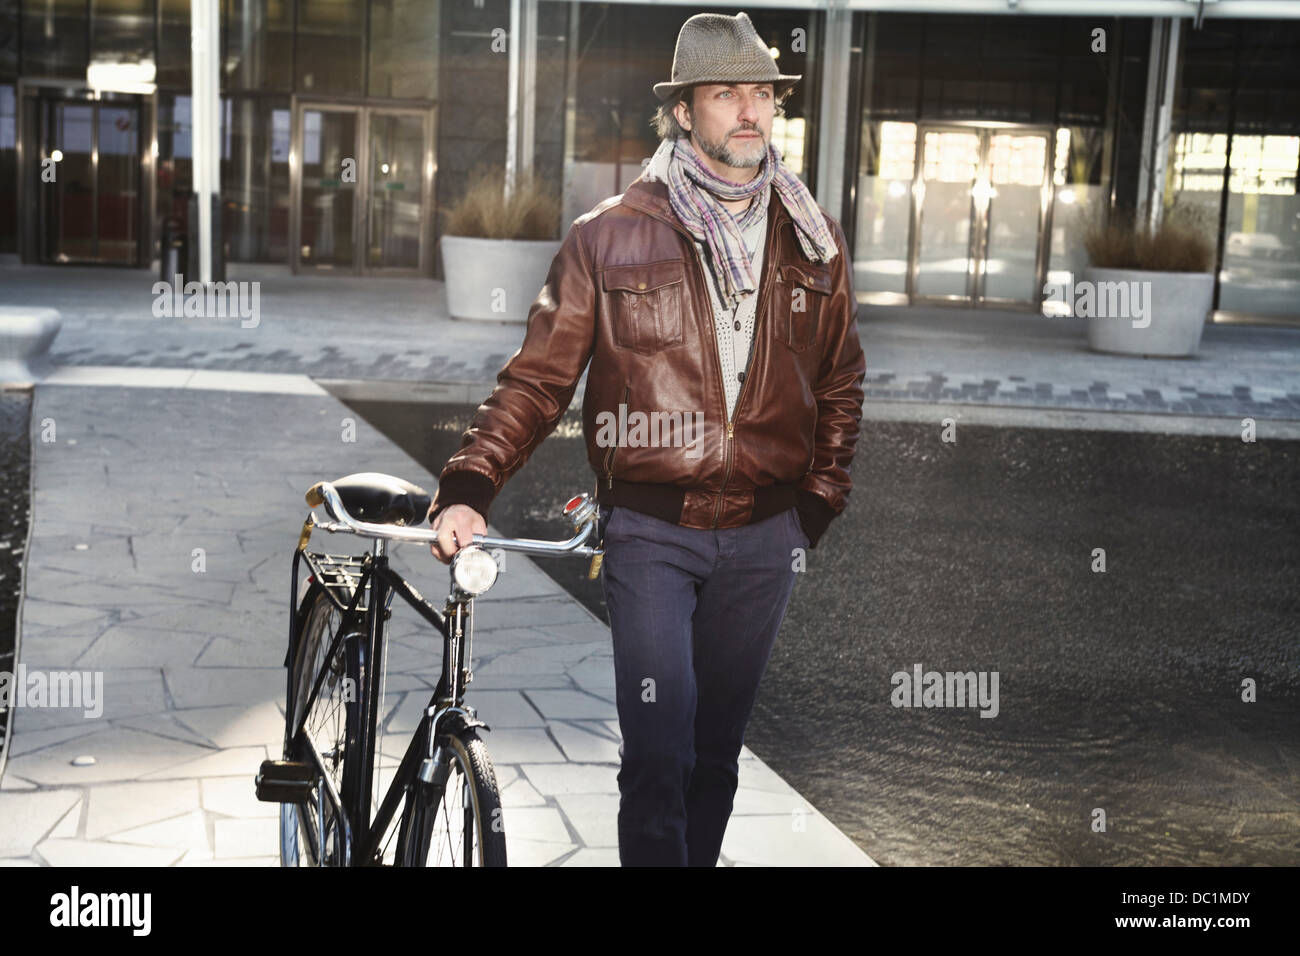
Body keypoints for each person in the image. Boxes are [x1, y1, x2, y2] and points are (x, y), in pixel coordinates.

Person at [426, 10, 865, 866]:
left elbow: (841, 378)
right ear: (684, 112)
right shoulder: (608, 236)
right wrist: (473, 481)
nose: (749, 110)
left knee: (714, 759)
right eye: (725, 93)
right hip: (653, 533)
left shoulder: (811, 238)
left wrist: (813, 506)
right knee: (660, 756)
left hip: (764, 537)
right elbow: (540, 377)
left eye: (761, 93)